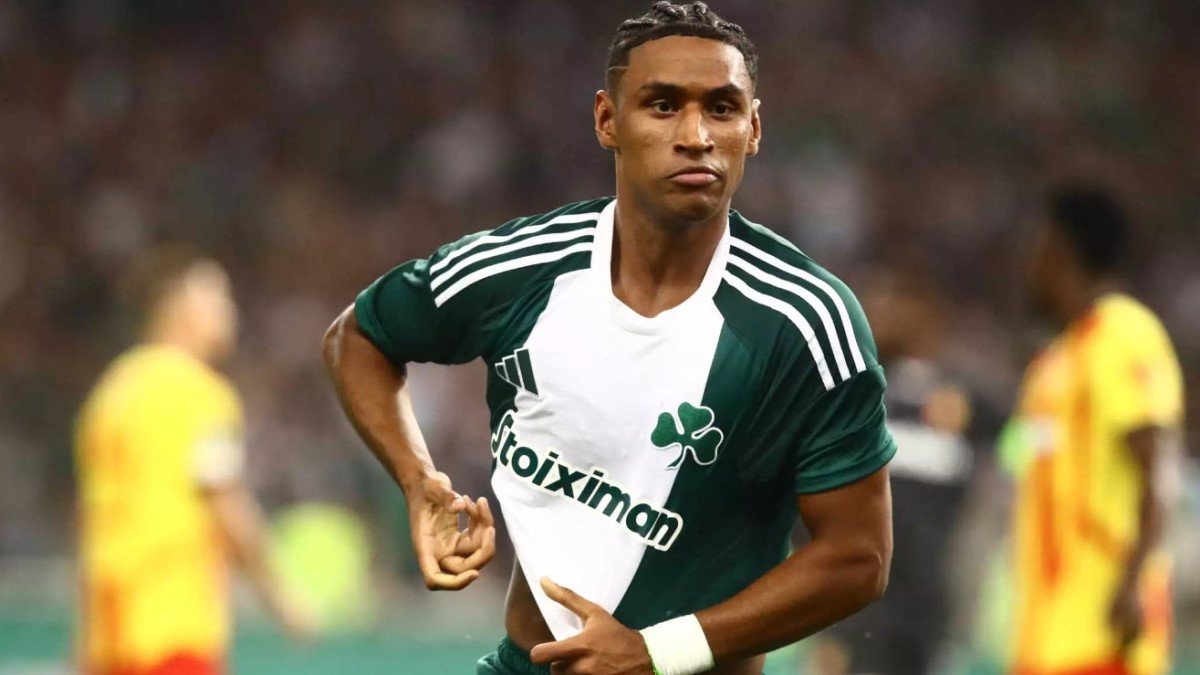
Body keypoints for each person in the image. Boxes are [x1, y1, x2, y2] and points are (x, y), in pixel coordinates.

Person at [323, 3, 895, 674]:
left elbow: (859, 556)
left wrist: (659, 651)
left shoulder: (806, 320)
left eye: (721, 108)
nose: (695, 136)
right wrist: (419, 480)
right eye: (662, 105)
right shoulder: (521, 270)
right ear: (606, 120)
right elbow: (357, 336)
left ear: (754, 128)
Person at [76, 248, 313, 675]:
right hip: (173, 625)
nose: (231, 311)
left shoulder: (111, 393)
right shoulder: (199, 394)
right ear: (179, 306)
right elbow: (224, 500)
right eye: (218, 297)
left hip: (111, 630)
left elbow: (89, 515)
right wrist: (279, 597)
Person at [1009, 184, 1183, 675]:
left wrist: (1133, 585)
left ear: (1058, 250)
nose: (1026, 267)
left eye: (1035, 249)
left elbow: (1160, 465)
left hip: (1105, 632)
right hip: (1047, 636)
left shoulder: (1123, 332)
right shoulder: (1054, 361)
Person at [814, 268, 979, 675]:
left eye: (893, 303)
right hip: (856, 609)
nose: (877, 312)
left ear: (927, 316)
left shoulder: (967, 404)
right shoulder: (851, 394)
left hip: (927, 613)